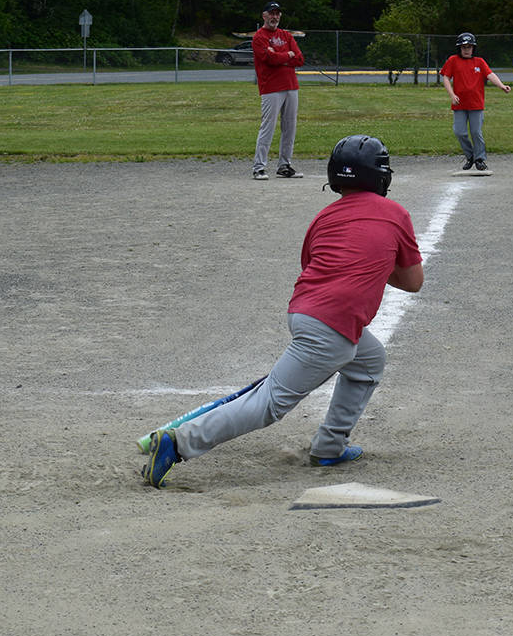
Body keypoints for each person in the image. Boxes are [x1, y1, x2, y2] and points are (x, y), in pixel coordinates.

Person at [142, 135, 424, 488]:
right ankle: (179, 443)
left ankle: (330, 446)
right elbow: (413, 281)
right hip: (332, 327)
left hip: (305, 311)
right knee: (269, 404)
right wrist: (381, 263)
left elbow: (312, 264)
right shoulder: (396, 214)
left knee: (369, 360)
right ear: (381, 176)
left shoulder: (324, 217)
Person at [440, 32, 510, 171]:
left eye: (469, 47)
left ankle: (479, 159)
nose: (466, 50)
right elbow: (446, 78)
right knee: (459, 132)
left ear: (473, 48)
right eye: (464, 47)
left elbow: (490, 75)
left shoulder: (479, 62)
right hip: (459, 104)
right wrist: (452, 95)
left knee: (476, 132)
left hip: (476, 103)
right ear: (459, 48)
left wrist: (501, 85)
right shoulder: (453, 60)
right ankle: (470, 155)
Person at [251, 1, 305, 180]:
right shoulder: (259, 37)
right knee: (268, 126)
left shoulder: (286, 35)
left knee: (290, 127)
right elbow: (268, 58)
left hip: (291, 86)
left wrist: (280, 56)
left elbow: (299, 58)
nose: (275, 16)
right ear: (264, 15)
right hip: (271, 88)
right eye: (271, 13)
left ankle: (284, 165)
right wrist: (285, 55)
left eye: (277, 13)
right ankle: (259, 167)